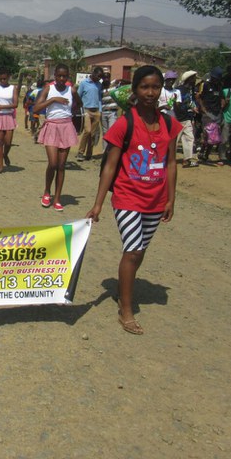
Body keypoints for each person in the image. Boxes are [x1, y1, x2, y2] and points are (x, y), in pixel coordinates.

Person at [86, 65, 181, 335]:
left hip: (156, 200)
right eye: (144, 87)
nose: (150, 93)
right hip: (127, 197)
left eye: (155, 87)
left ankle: (124, 288)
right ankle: (125, 310)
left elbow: (171, 163)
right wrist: (98, 203)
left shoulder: (169, 124)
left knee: (139, 252)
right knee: (134, 250)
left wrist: (171, 199)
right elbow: (110, 166)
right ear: (135, 90)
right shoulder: (124, 123)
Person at [33, 63, 81, 211]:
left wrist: (74, 104)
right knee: (53, 163)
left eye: (64, 76)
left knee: (61, 165)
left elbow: (79, 104)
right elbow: (36, 108)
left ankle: (58, 198)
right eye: (59, 76)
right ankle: (47, 192)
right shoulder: (49, 89)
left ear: (68, 77)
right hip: (52, 126)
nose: (61, 79)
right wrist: (53, 100)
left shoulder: (71, 90)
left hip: (66, 126)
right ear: (55, 76)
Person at [0, 69, 18, 173]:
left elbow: (15, 104)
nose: (3, 81)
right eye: (1, 79)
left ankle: (5, 155)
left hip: (9, 116)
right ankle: (0, 166)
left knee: (8, 142)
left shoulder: (13, 88)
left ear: (8, 77)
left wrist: (2, 106)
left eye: (5, 79)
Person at [197, 67, 224, 163]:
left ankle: (206, 155)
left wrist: (222, 104)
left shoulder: (220, 86)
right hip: (208, 113)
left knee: (214, 136)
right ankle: (201, 153)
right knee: (207, 134)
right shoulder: (205, 85)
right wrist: (203, 108)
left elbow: (222, 97)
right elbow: (199, 97)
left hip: (217, 113)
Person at [76, 66, 103, 162]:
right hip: (86, 110)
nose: (98, 78)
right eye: (98, 76)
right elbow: (78, 96)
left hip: (96, 111)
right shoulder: (84, 83)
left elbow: (99, 98)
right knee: (87, 131)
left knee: (92, 134)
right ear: (93, 73)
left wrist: (100, 110)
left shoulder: (99, 85)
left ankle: (89, 154)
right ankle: (80, 152)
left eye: (100, 77)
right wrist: (79, 109)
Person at [174, 70, 200, 168]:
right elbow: (175, 104)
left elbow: (190, 101)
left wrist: (194, 108)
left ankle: (187, 160)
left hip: (187, 118)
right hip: (177, 119)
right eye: (193, 78)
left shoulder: (190, 90)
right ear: (189, 79)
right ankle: (169, 159)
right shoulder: (179, 90)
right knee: (174, 140)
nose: (195, 80)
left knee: (189, 138)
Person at [100, 71, 119, 150]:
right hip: (103, 112)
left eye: (108, 77)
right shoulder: (100, 87)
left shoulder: (114, 85)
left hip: (112, 112)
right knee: (105, 132)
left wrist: (118, 80)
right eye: (105, 77)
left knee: (112, 130)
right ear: (102, 78)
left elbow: (126, 83)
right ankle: (105, 151)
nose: (106, 79)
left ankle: (111, 150)